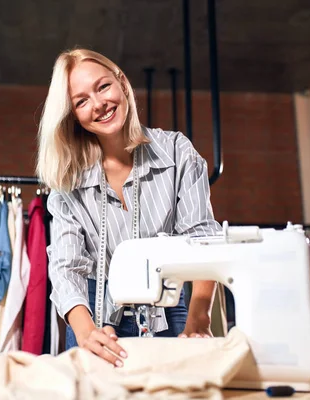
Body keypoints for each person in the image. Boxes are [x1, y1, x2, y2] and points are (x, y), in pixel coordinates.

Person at [35, 48, 221, 368]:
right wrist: (85, 331)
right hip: (91, 311)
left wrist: (199, 319)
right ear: (73, 115)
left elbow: (203, 241)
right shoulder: (67, 181)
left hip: (167, 306)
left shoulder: (177, 153)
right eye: (81, 101)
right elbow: (66, 267)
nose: (98, 104)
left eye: (103, 87)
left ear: (122, 82)